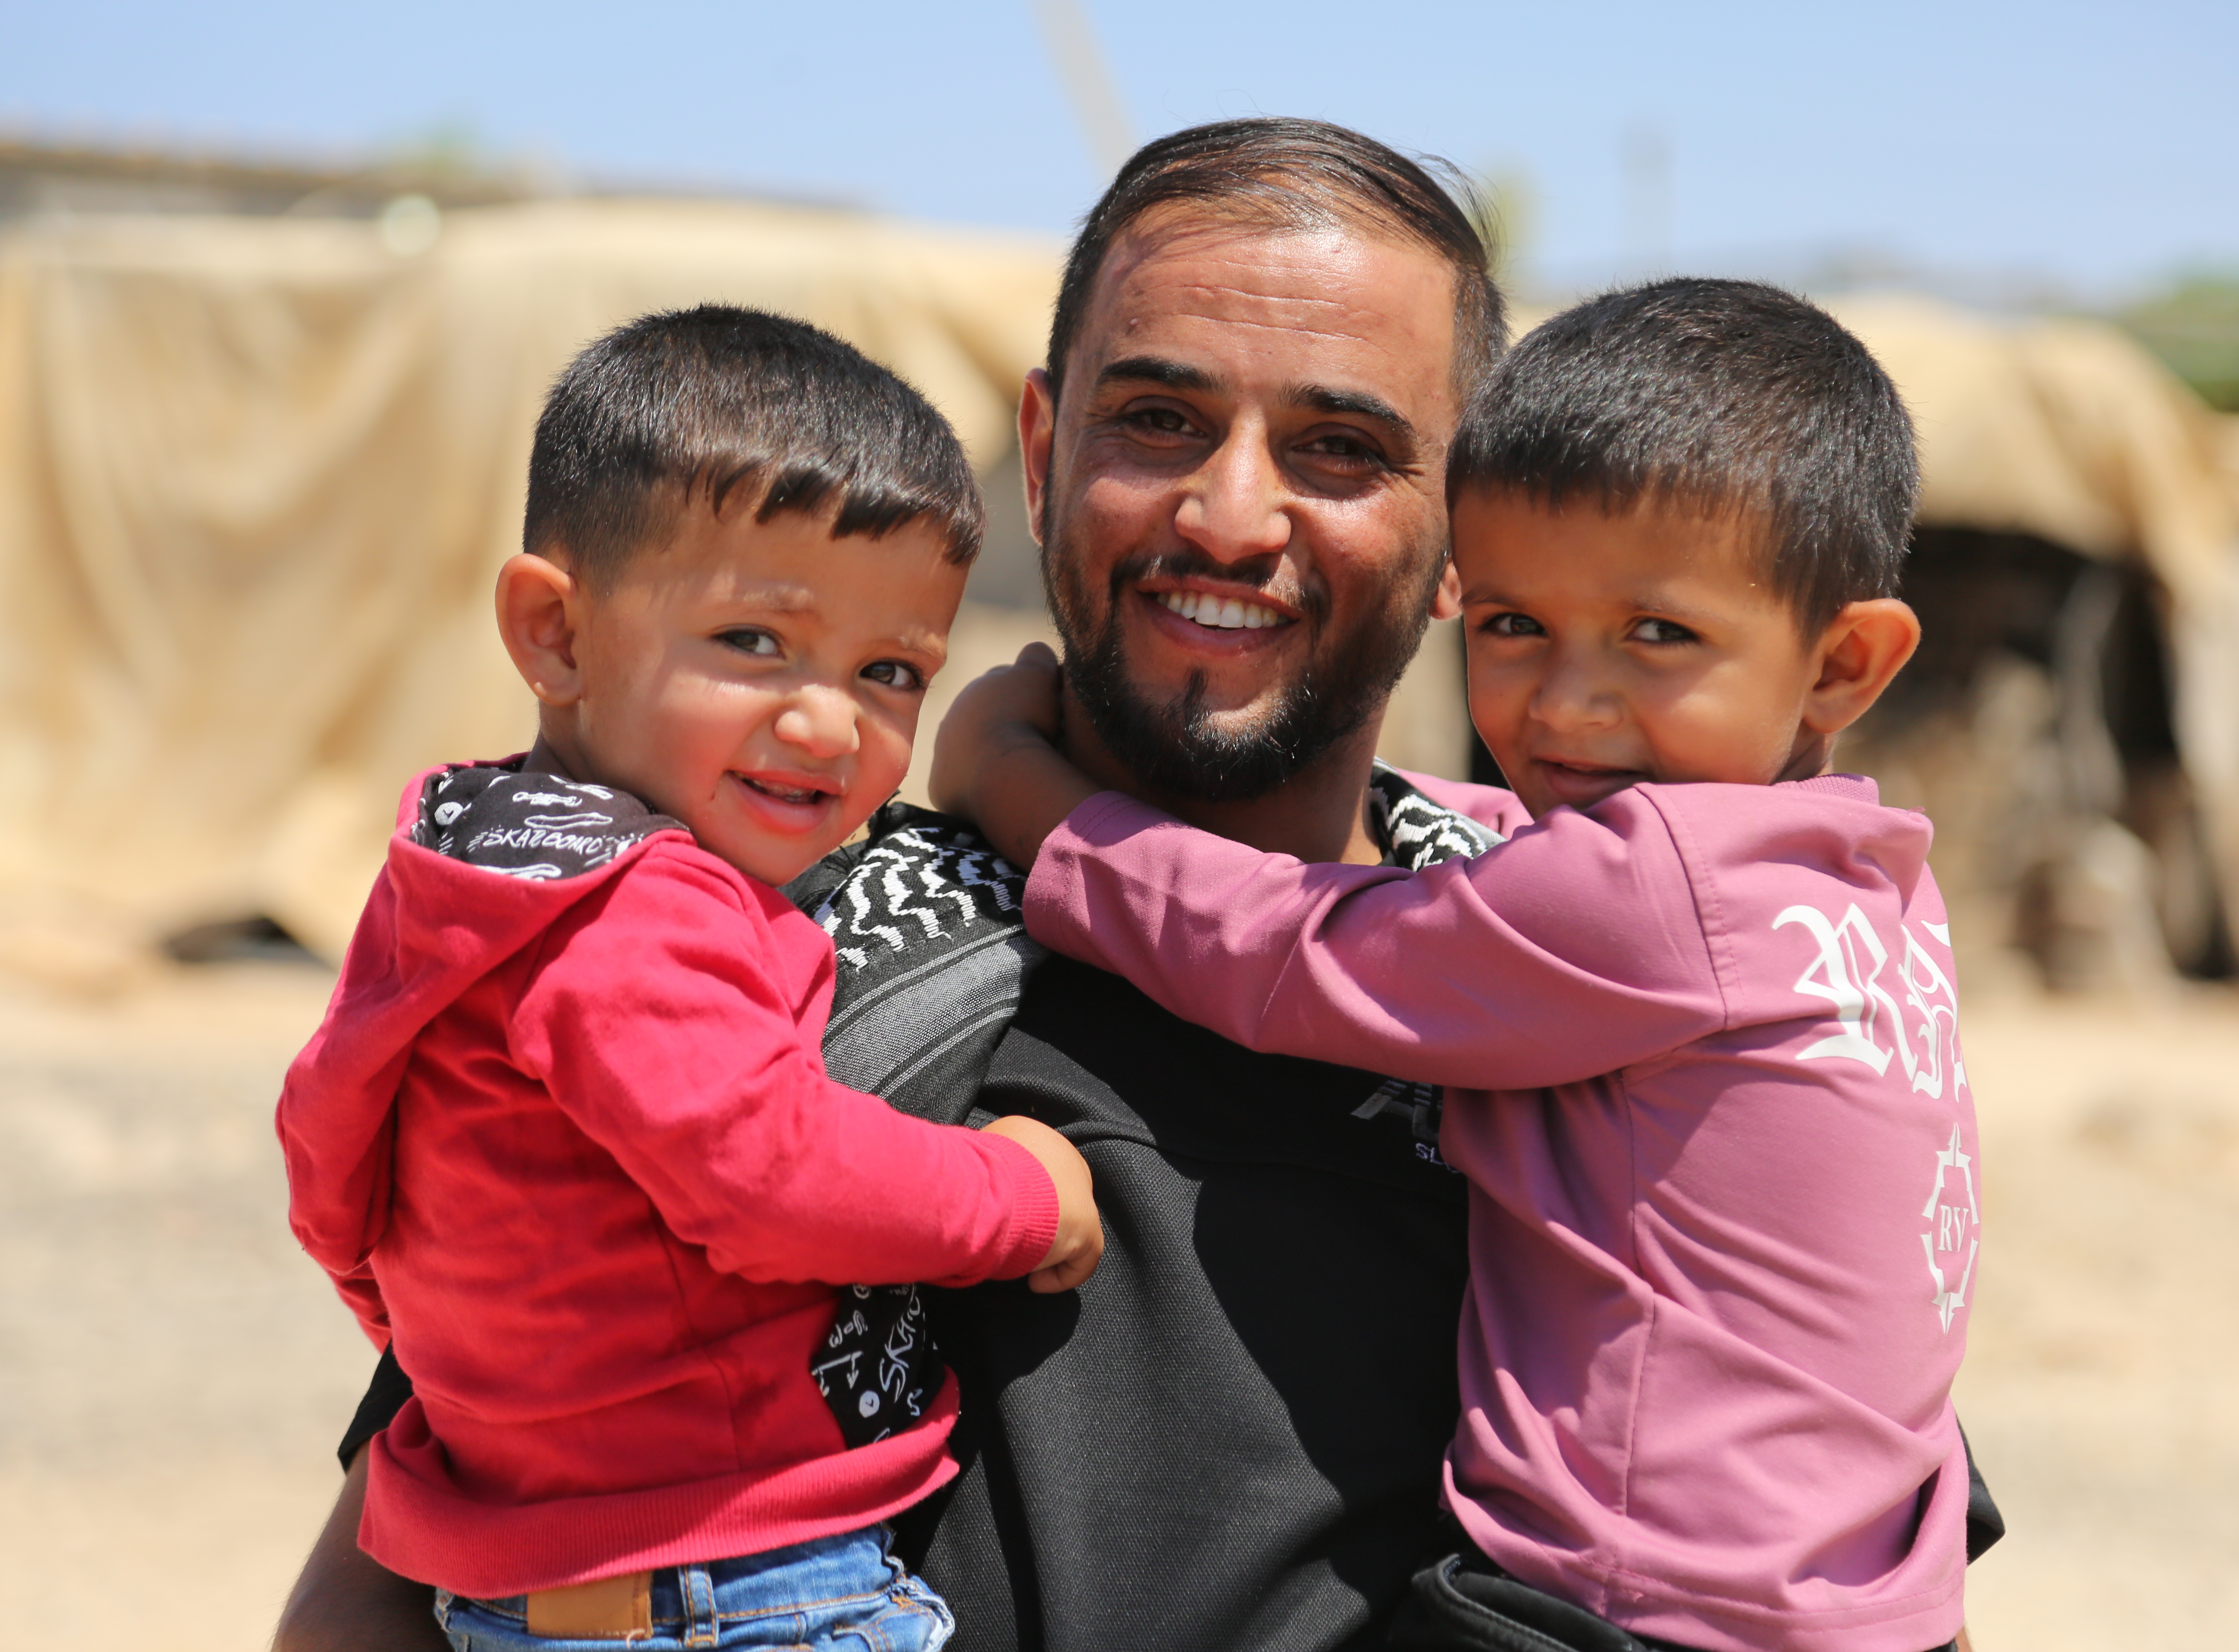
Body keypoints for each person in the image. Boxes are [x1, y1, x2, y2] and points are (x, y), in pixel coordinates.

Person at [274, 122, 1994, 1652]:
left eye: (1340, 448)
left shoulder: (1619, 983)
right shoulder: (780, 956)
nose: (1231, 516)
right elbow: (413, 1564)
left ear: (1461, 531)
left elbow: (1840, 1507)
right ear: (1040, 452)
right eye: (1160, 421)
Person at [934, 279, 1978, 1652]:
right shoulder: (1866, 879)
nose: (1567, 703)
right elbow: (1538, 865)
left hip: (1629, 1610)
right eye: (1513, 626)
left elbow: (1285, 953)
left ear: (1845, 663)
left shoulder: (1647, 899)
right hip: (1868, 1596)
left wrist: (1025, 792)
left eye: (1657, 636)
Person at [275, 305, 1103, 1652]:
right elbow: (773, 1176)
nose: (827, 721)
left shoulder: (466, 861)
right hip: (736, 1593)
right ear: (555, 633)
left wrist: (454, 1350)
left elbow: (331, 1146)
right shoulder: (641, 909)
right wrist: (1023, 1192)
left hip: (533, 1587)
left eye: (891, 671)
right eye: (755, 643)